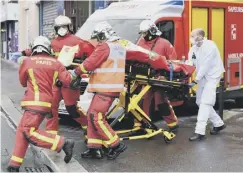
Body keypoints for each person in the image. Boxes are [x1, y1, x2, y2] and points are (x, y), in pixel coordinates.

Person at [7, 36, 75, 172]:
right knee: (22, 129)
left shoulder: (28, 62)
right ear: (47, 48)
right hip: (47, 102)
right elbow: (68, 80)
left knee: (28, 131)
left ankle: (63, 143)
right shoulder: (56, 63)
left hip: (33, 102)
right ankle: (14, 164)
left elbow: (22, 82)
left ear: (34, 48)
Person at [72, 21, 127, 160]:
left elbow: (91, 62)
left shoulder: (105, 46)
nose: (97, 41)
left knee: (95, 116)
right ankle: (94, 148)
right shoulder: (119, 47)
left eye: (98, 38)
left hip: (105, 87)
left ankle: (116, 144)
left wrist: (76, 72)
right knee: (92, 114)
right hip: (112, 87)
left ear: (103, 35)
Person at [46, 15, 95, 135]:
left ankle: (88, 127)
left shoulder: (78, 41)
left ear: (69, 27)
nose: (62, 29)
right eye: (59, 27)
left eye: (64, 26)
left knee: (71, 108)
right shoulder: (51, 43)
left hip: (70, 78)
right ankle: (51, 134)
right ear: (55, 29)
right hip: (55, 79)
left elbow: (92, 56)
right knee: (51, 107)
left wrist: (80, 70)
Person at [137, 19, 179, 132]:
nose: (143, 35)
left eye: (145, 33)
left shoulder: (164, 43)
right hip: (146, 77)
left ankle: (173, 124)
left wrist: (166, 76)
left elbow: (172, 61)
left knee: (161, 101)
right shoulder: (141, 43)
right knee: (143, 101)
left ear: (151, 32)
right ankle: (145, 125)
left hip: (160, 77)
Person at [188, 28, 226, 141]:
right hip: (203, 77)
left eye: (192, 36)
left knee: (205, 102)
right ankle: (218, 124)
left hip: (212, 76)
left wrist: (195, 80)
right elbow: (190, 62)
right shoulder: (194, 48)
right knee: (199, 101)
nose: (191, 38)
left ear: (200, 36)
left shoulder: (210, 46)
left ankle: (199, 132)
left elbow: (205, 65)